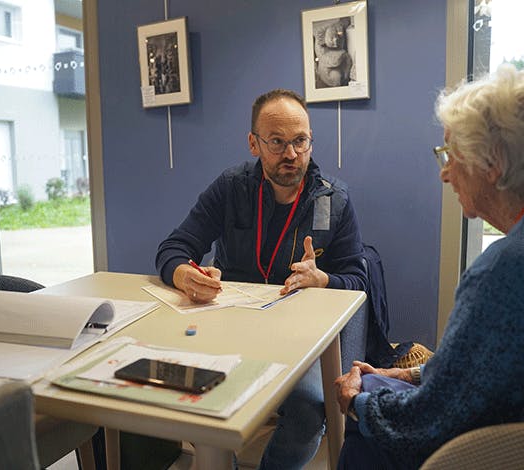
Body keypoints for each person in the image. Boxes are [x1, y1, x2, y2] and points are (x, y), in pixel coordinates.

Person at [334, 65, 524, 469]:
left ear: (492, 164)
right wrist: (403, 375)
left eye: (450, 155)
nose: (445, 174)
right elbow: (491, 365)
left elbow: (427, 425)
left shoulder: (507, 268)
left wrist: (357, 402)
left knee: (364, 421)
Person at [156, 88, 367, 469]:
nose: (291, 154)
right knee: (187, 389)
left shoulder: (334, 199)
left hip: (302, 338)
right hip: (232, 330)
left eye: (301, 141)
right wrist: (185, 273)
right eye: (277, 142)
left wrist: (324, 281)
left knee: (309, 407)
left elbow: (357, 280)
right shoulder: (230, 188)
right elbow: (174, 247)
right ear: (254, 144)